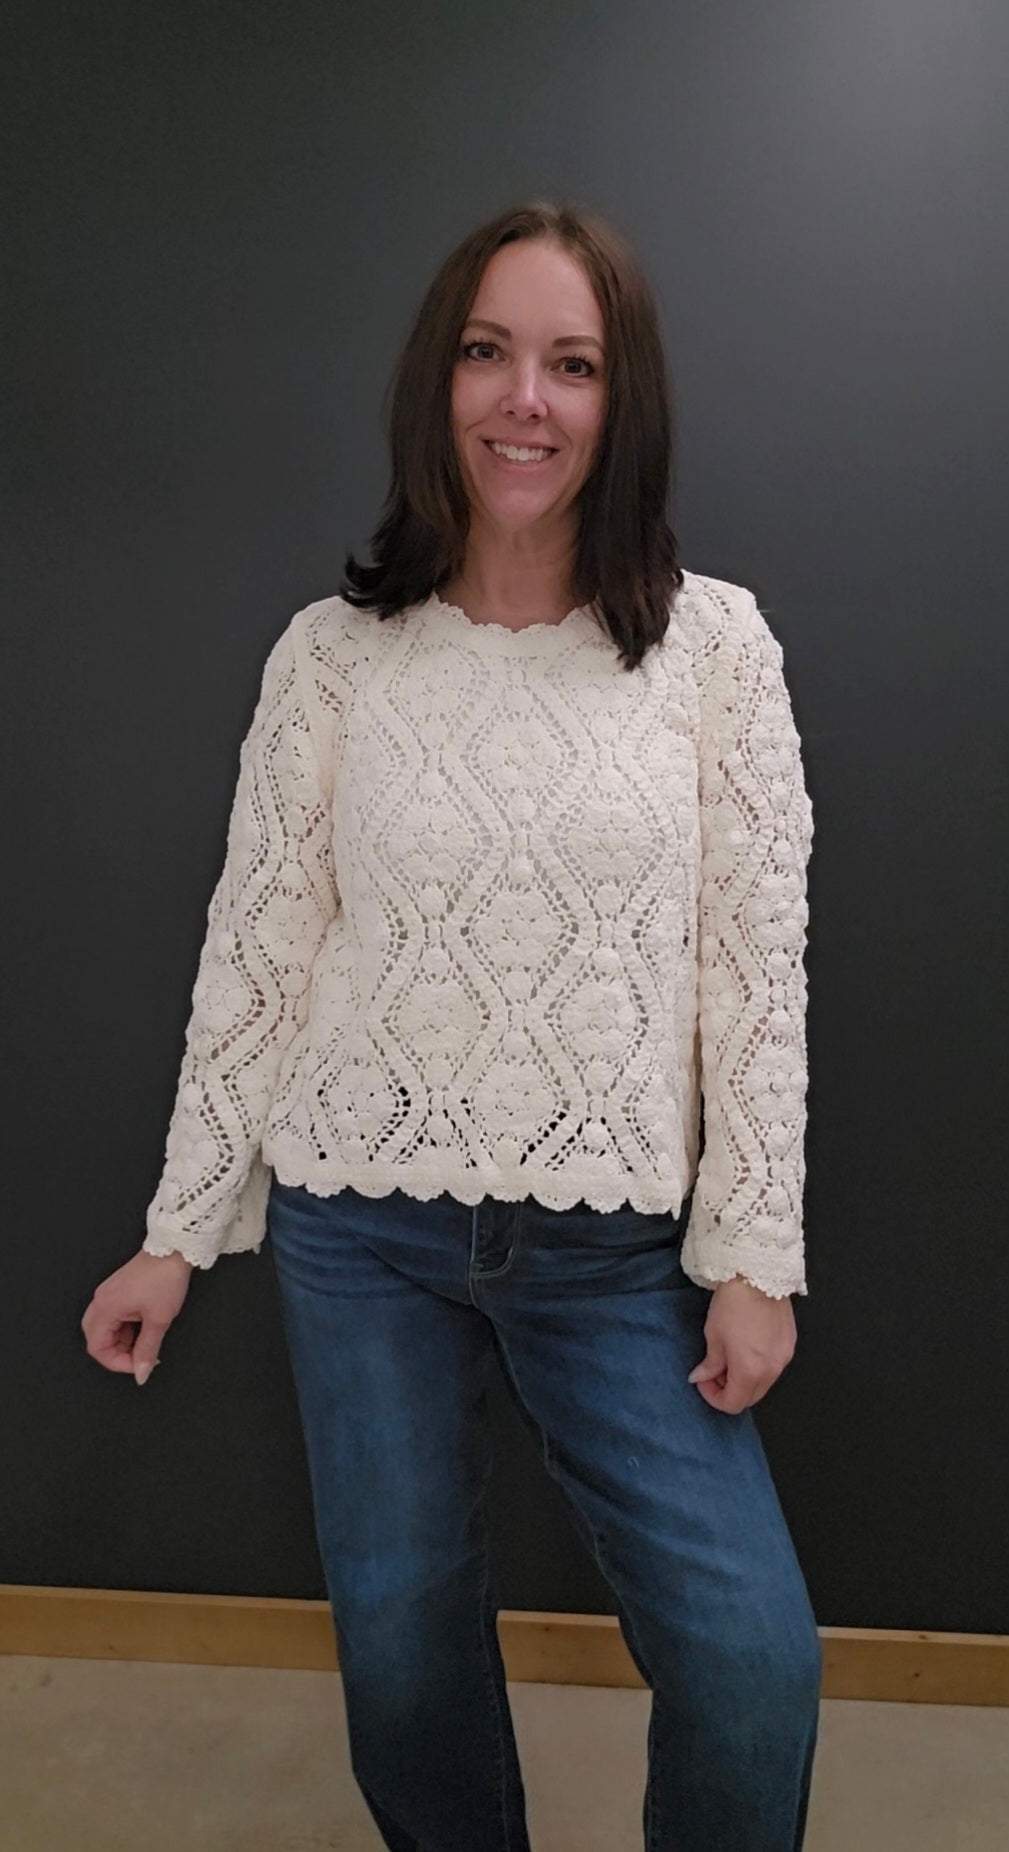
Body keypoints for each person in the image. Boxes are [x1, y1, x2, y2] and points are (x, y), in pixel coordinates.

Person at [82, 198, 820, 1851]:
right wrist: (177, 1232)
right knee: (406, 1662)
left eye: (573, 364)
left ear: (621, 401)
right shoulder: (332, 661)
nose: (525, 400)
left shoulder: (714, 651)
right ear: (440, 380)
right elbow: (260, 953)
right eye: (489, 353)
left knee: (752, 1665)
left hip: (615, 1248)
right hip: (361, 1230)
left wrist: (754, 1250)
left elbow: (754, 977)